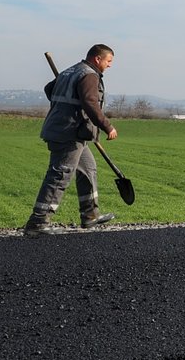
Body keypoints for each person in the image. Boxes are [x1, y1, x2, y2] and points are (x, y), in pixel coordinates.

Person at [23, 44, 118, 234]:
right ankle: (38, 222)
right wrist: (107, 126)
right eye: (108, 61)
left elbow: (49, 88)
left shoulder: (70, 71)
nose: (110, 66)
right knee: (60, 174)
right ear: (97, 59)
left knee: (88, 168)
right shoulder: (89, 75)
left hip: (70, 131)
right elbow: (91, 103)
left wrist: (65, 104)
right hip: (68, 132)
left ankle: (90, 215)